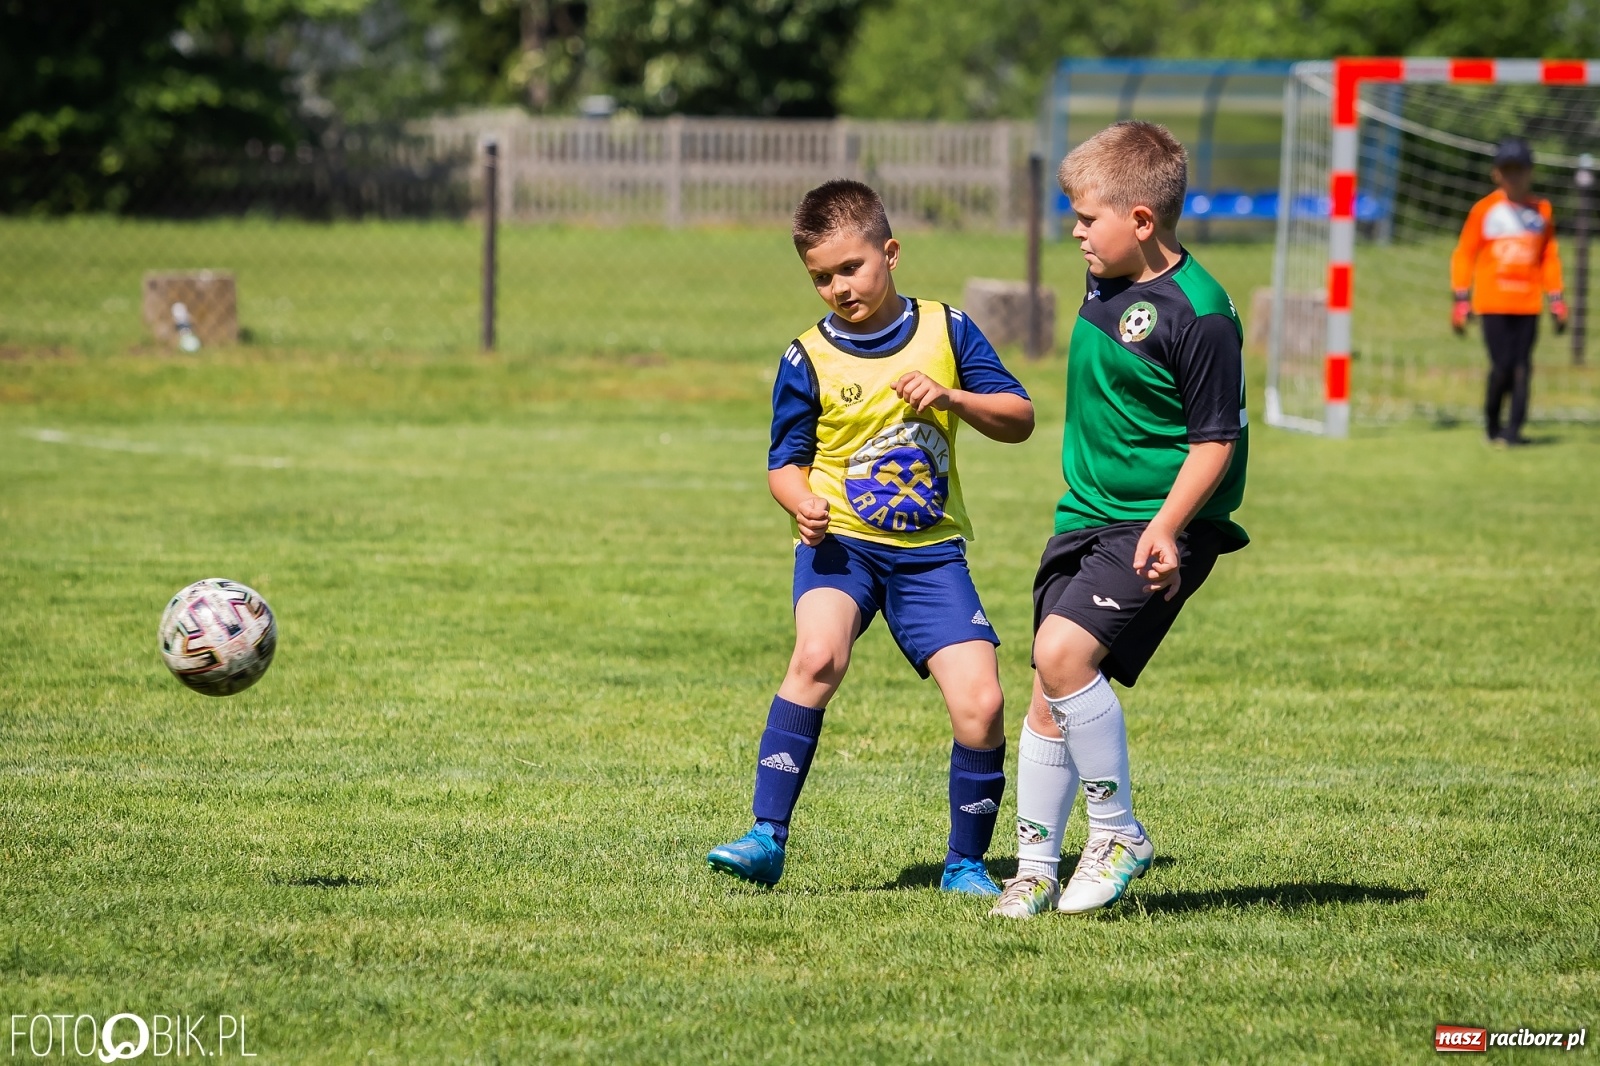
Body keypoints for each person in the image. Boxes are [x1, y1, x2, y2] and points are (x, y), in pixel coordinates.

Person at [706, 179, 1035, 895]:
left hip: (929, 555)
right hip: (842, 546)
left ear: (890, 252)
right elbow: (783, 463)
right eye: (821, 277)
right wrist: (801, 503)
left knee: (981, 702)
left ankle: (965, 865)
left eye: (851, 268)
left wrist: (951, 397)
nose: (839, 288)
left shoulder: (947, 330)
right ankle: (766, 837)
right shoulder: (806, 357)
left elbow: (1019, 416)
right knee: (817, 656)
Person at [989, 121, 1249, 919]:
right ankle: (1035, 870)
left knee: (1061, 655)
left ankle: (1117, 833)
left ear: (1140, 220)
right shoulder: (1108, 275)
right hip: (1084, 517)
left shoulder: (1200, 314)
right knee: (1050, 690)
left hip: (1152, 525)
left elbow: (1216, 441)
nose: (1073, 232)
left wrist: (1166, 528)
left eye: (1085, 217)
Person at [1450, 137, 1567, 446]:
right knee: (1501, 366)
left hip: (1527, 303)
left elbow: (1549, 257)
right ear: (1496, 173)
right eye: (1508, 170)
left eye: (1520, 169)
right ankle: (1492, 426)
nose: (1514, 176)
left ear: (1530, 172)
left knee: (1522, 368)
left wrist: (1556, 298)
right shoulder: (1485, 210)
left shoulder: (1542, 210)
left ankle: (1513, 432)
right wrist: (1460, 297)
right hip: (1493, 302)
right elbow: (1464, 254)